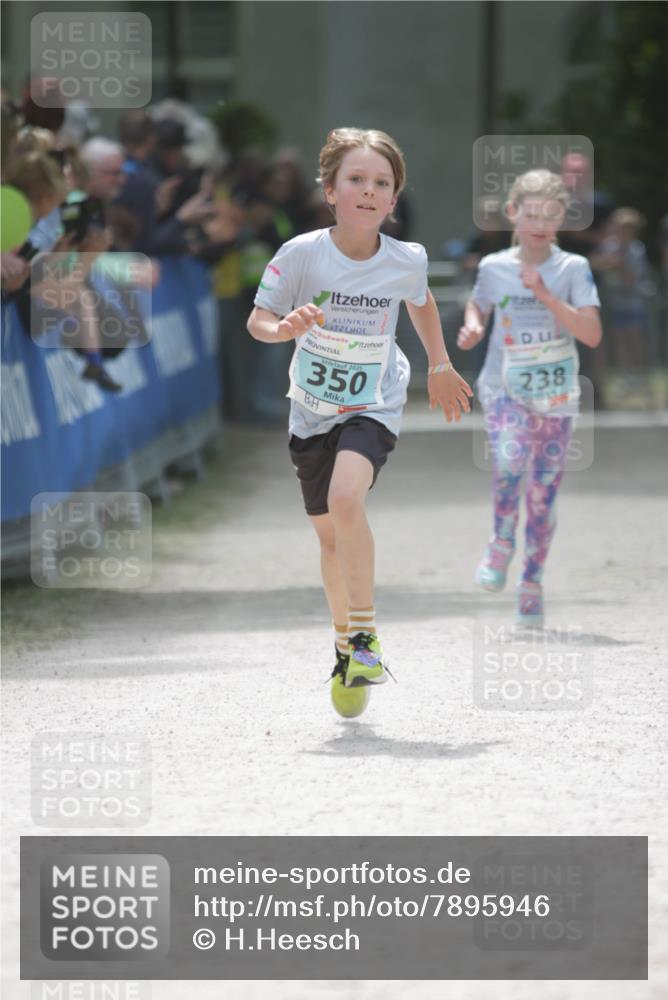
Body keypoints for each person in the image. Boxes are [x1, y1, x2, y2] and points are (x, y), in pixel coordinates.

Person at [247, 127, 471, 708]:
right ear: (330, 191)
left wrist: (440, 364)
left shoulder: (406, 259)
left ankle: (366, 636)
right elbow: (259, 319)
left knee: (348, 498)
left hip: (373, 400)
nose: (369, 191)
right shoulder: (300, 254)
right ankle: (345, 645)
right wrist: (283, 329)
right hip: (311, 412)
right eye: (356, 179)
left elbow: (420, 300)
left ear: (394, 199)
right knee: (329, 539)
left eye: (381, 182)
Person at [458, 169, 602, 626]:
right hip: (504, 386)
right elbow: (479, 303)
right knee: (509, 458)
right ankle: (501, 541)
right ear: (512, 213)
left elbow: (592, 333)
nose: (541, 223)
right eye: (532, 213)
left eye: (551, 215)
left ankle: (532, 581)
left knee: (542, 495)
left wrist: (545, 295)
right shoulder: (493, 266)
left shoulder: (573, 269)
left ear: (563, 218)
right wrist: (473, 324)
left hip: (554, 392)